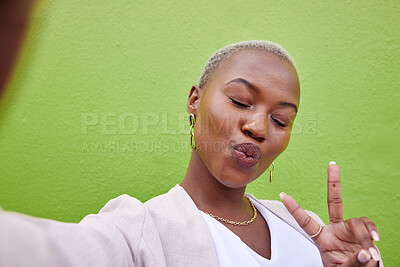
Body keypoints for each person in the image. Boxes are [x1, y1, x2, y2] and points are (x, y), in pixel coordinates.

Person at [0, 40, 383, 267]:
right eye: (239, 100)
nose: (259, 128)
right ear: (195, 101)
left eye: (281, 121)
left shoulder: (305, 230)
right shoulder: (140, 229)